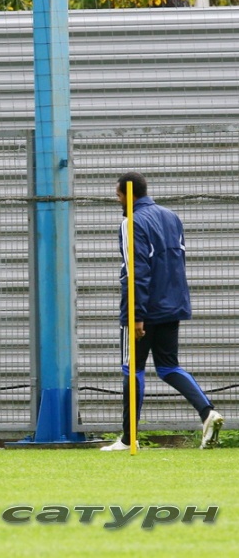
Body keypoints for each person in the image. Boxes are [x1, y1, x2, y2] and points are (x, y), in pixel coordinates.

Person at [102, 172, 224, 451]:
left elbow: (135, 270)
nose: (117, 200)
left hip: (144, 309)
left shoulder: (131, 222)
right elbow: (177, 262)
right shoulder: (172, 217)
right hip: (172, 304)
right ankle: (208, 412)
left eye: (118, 195)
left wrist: (136, 314)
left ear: (129, 195)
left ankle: (128, 439)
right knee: (169, 367)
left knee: (133, 369)